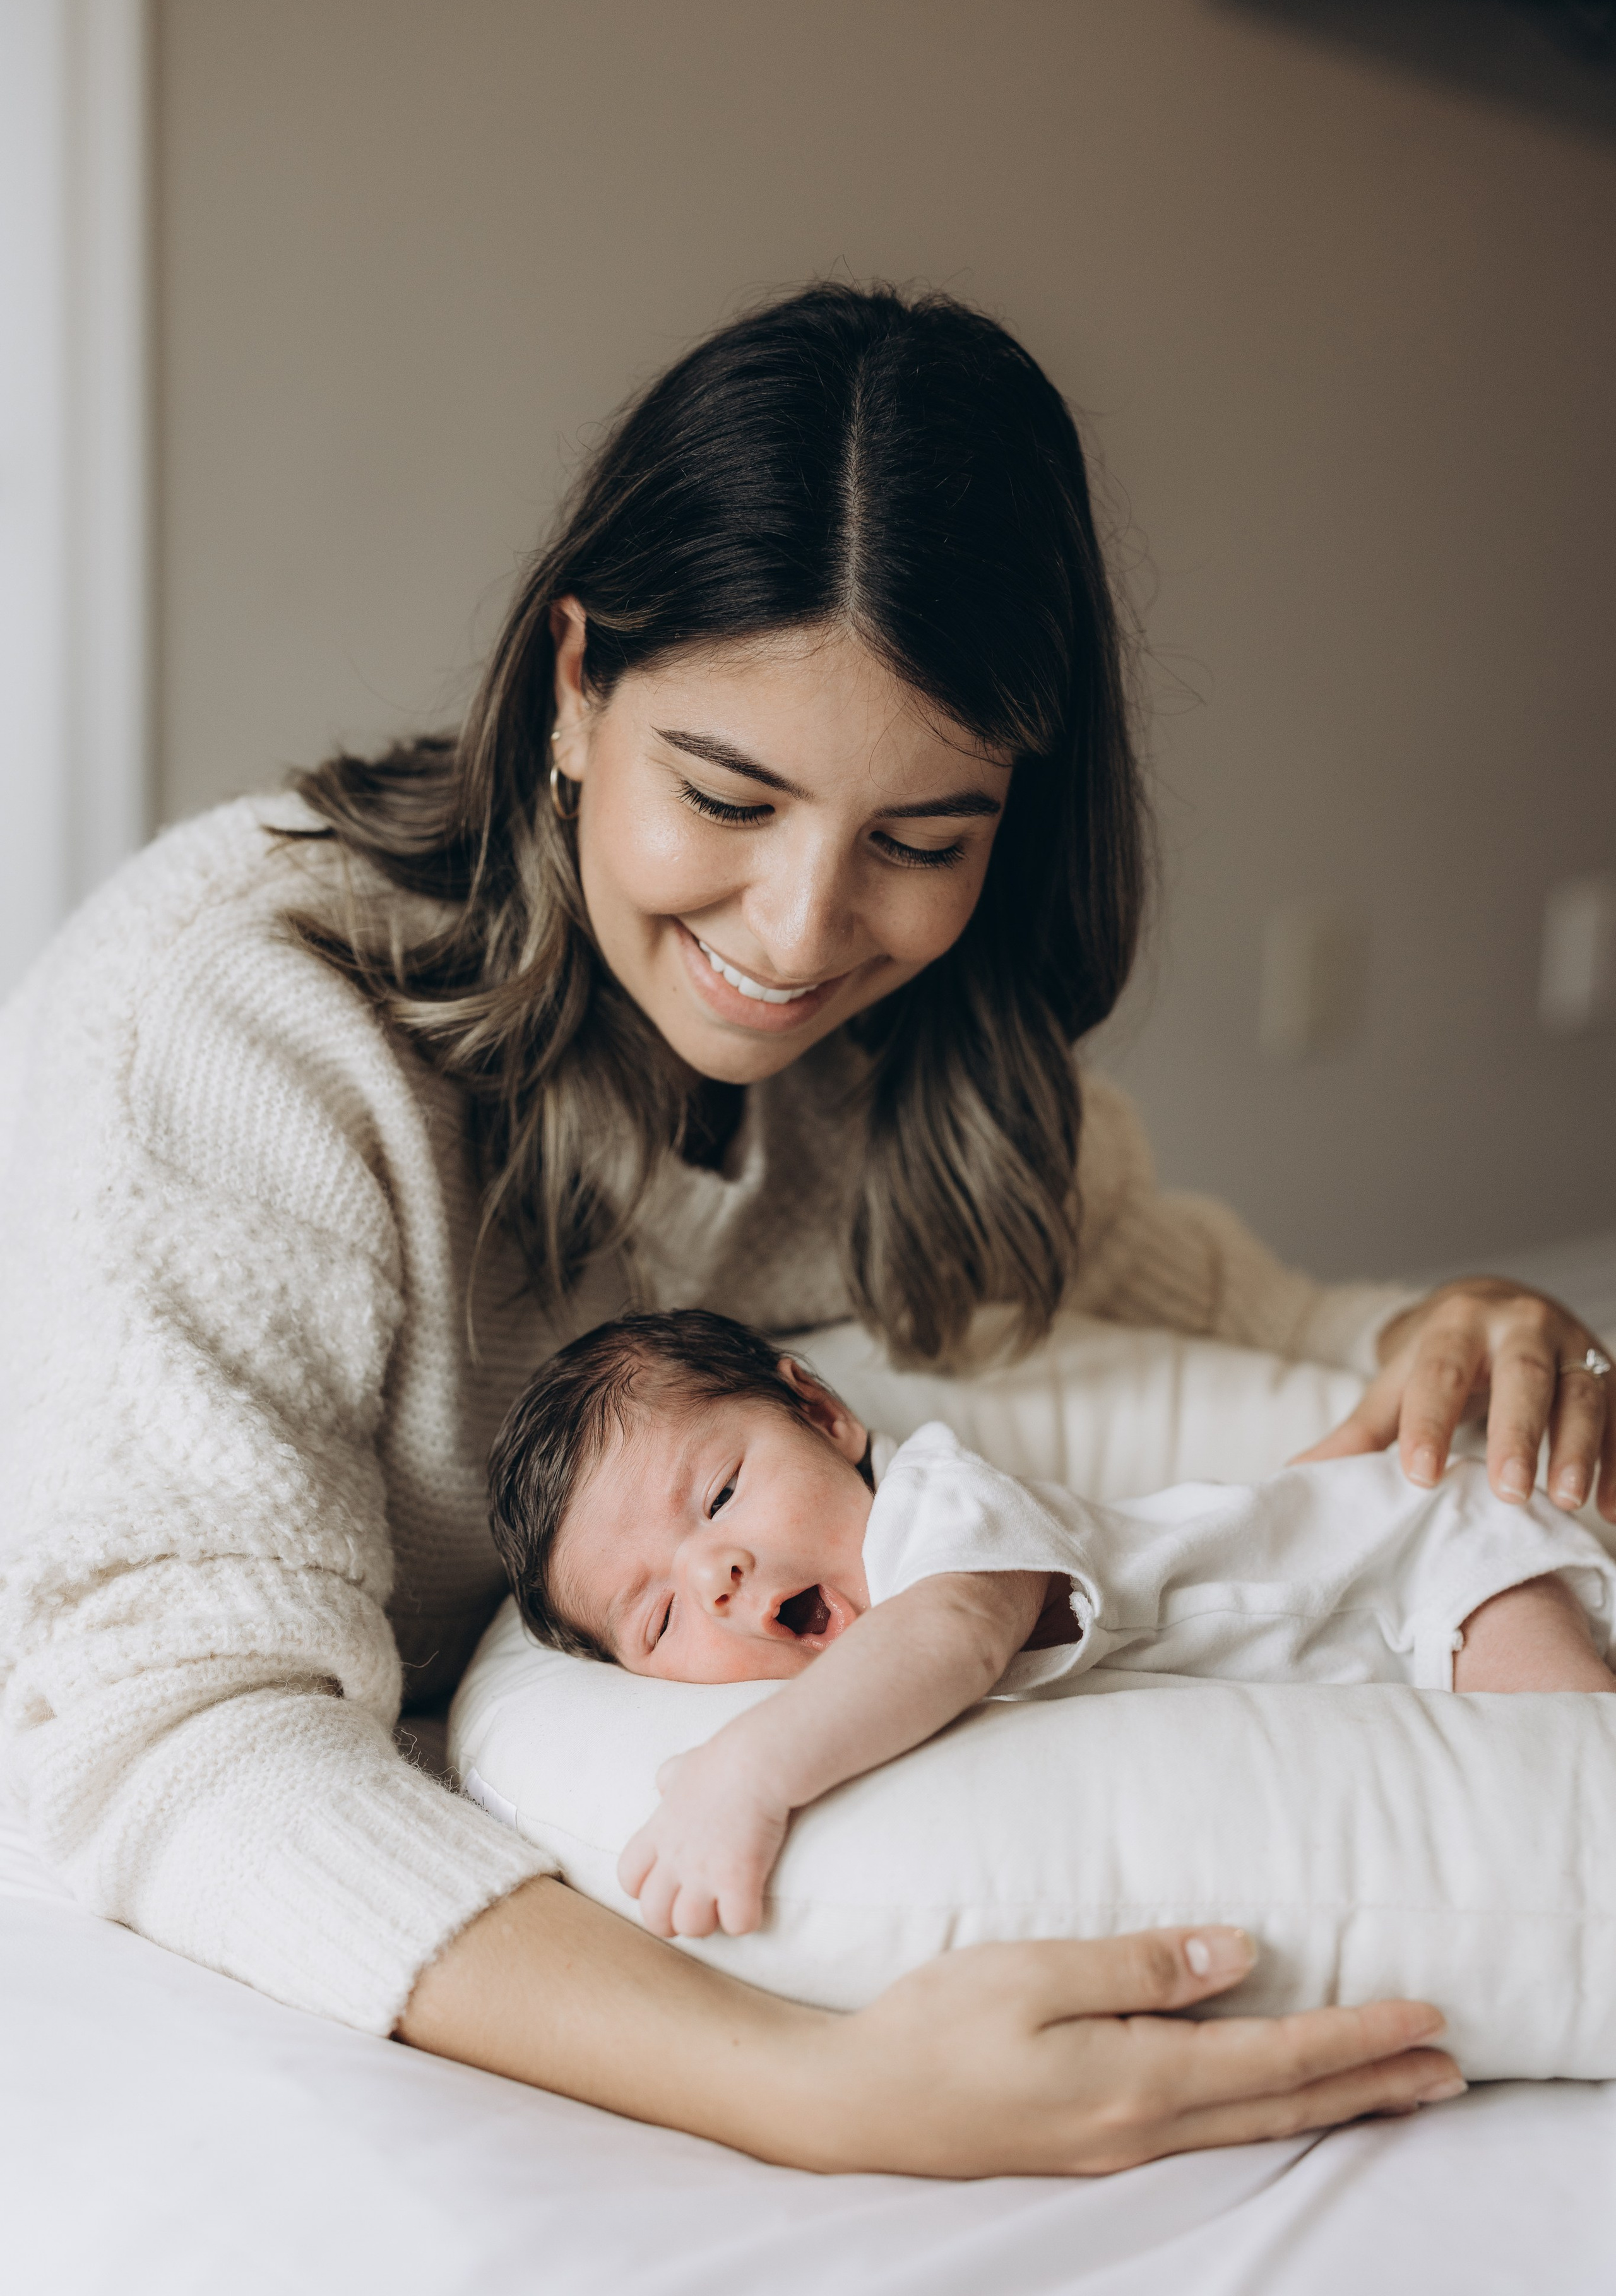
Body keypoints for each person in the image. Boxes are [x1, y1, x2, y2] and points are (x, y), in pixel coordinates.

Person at [1, 282, 1608, 2176]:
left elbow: (1216, 1307)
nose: (798, 933)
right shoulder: (237, 1031)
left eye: (921, 841)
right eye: (726, 796)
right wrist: (800, 2089)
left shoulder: (913, 1059)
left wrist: (1455, 1325)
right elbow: (171, 1737)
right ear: (575, 686)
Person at [485, 1307, 1616, 1941]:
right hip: (1383, 1614)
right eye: (662, 1617)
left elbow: (949, 1637)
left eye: (723, 1494)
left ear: (824, 1417)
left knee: (1573, 1781)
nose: (717, 1575)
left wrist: (751, 1773)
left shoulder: (941, 1511)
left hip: (1436, 1562)